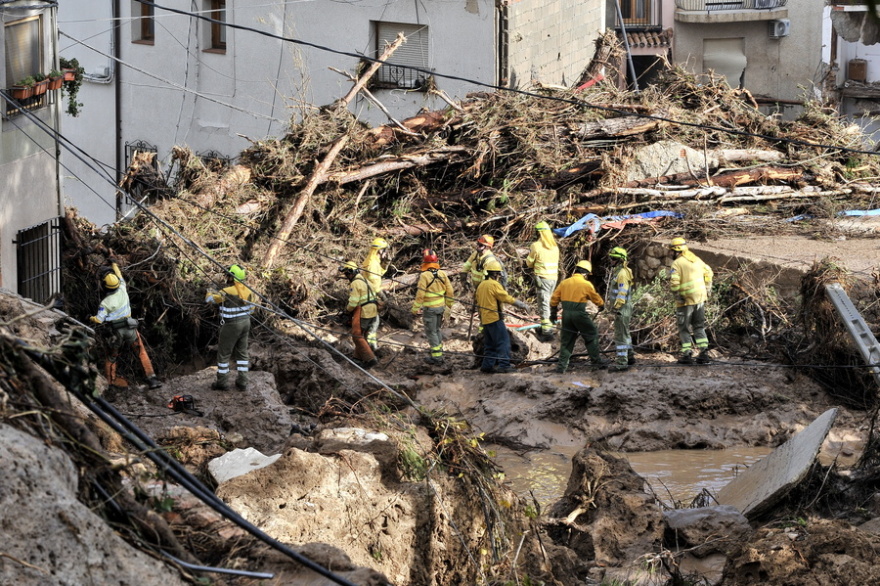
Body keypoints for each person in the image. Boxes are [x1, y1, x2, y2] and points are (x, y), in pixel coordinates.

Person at [90, 258, 162, 390]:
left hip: (116, 332)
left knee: (112, 357)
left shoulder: (105, 303)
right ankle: (152, 379)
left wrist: (91, 318)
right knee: (141, 352)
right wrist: (114, 264)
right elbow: (119, 275)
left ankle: (110, 383)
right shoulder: (122, 288)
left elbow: (99, 320)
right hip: (130, 328)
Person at [549, 260, 609, 374]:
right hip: (579, 314)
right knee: (591, 334)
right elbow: (595, 297)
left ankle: (561, 367)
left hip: (566, 315)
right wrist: (601, 305)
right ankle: (596, 362)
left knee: (567, 341)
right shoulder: (586, 284)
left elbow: (554, 298)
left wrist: (553, 313)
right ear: (585, 273)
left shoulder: (564, 283)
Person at [205, 264, 255, 390]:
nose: (227, 277)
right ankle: (243, 381)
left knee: (224, 354)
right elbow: (252, 309)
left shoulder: (227, 292)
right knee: (242, 352)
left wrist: (210, 289)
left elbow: (209, 299)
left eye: (228, 275)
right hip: (246, 323)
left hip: (231, 325)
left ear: (232, 277)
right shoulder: (249, 291)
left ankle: (222, 383)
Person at [475, 258, 529, 374]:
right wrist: (520, 304)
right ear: (496, 274)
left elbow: (478, 303)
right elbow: (505, 297)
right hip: (494, 318)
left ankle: (487, 366)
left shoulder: (481, 285)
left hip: (485, 320)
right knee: (503, 342)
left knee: (490, 344)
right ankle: (504, 365)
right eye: (498, 274)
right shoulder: (494, 284)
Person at [668, 237, 714, 365]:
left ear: (677, 250)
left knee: (684, 328)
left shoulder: (677, 263)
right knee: (699, 326)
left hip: (685, 301)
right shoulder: (696, 259)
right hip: (700, 299)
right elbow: (709, 272)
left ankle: (687, 354)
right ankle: (704, 353)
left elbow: (674, 283)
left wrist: (677, 296)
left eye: (671, 251)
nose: (670, 253)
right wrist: (707, 289)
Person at [411, 249, 455, 365]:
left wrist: (415, 309)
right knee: (437, 330)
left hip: (430, 310)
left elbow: (420, 295)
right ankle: (439, 352)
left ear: (424, 262)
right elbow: (450, 292)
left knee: (431, 333)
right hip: (440, 308)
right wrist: (448, 307)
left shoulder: (424, 276)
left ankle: (437, 358)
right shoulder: (442, 274)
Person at [339, 261, 379, 369]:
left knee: (356, 335)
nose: (346, 276)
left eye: (346, 274)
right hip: (373, 311)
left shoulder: (355, 283)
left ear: (351, 273)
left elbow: (353, 302)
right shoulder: (366, 281)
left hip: (364, 311)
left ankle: (370, 359)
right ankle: (357, 358)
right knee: (362, 335)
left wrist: (346, 311)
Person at [526, 221, 560, 340]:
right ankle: (548, 326)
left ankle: (546, 332)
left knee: (544, 304)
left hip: (542, 279)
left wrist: (529, 258)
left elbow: (529, 263)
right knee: (548, 302)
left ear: (539, 233)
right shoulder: (554, 246)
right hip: (553, 278)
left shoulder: (536, 246)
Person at [607, 246, 635, 372]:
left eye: (614, 258)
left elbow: (622, 293)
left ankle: (622, 363)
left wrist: (616, 307)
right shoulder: (619, 272)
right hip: (623, 308)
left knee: (620, 337)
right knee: (625, 333)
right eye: (611, 258)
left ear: (620, 260)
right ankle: (630, 356)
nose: (611, 260)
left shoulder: (622, 273)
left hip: (622, 309)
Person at [360, 237, 389, 350]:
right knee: (373, 323)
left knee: (373, 323)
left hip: (367, 297)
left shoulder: (373, 261)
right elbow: (375, 284)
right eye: (385, 250)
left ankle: (370, 346)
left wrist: (385, 264)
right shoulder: (372, 264)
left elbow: (379, 273)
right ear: (380, 251)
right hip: (368, 298)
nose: (386, 253)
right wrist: (383, 297)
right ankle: (369, 347)